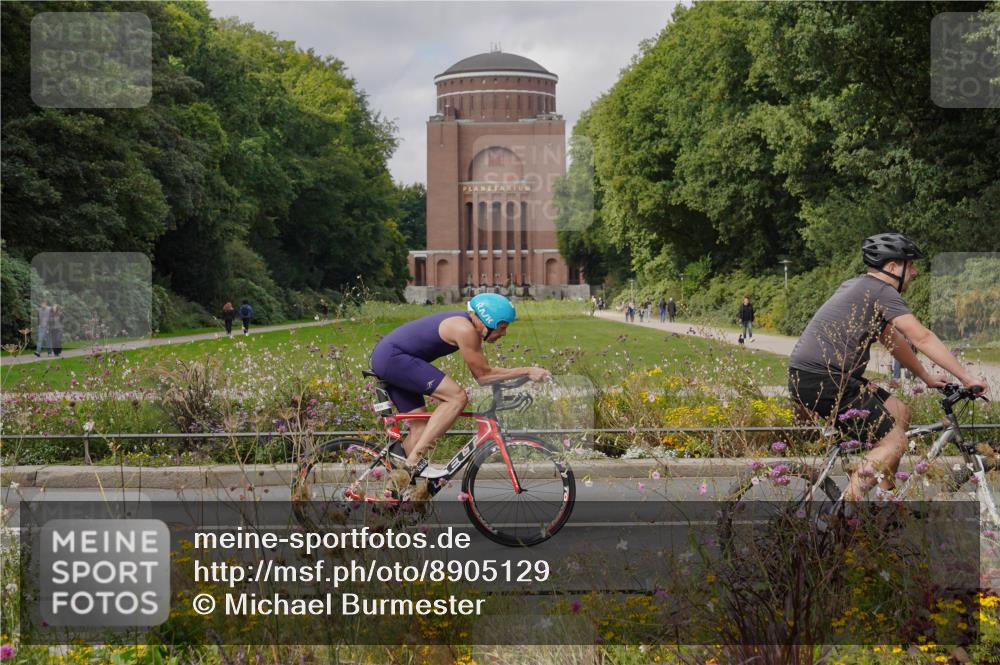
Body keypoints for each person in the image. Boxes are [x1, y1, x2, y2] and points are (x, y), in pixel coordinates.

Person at [788, 233, 988, 503]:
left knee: (900, 412)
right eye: (911, 265)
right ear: (893, 267)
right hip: (827, 379)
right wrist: (966, 377)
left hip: (821, 377)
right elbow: (922, 337)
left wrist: (926, 377)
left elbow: (892, 339)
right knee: (894, 443)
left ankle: (885, 498)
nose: (915, 272)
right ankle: (840, 517)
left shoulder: (859, 286)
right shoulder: (882, 290)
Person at [369, 293, 551, 499]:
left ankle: (393, 495)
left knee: (420, 430)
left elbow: (485, 373)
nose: (504, 333)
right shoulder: (465, 329)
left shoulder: (466, 325)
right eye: (502, 326)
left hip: (393, 357)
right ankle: (412, 463)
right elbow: (482, 376)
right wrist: (527, 371)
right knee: (457, 397)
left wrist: (519, 376)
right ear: (489, 319)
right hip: (394, 358)